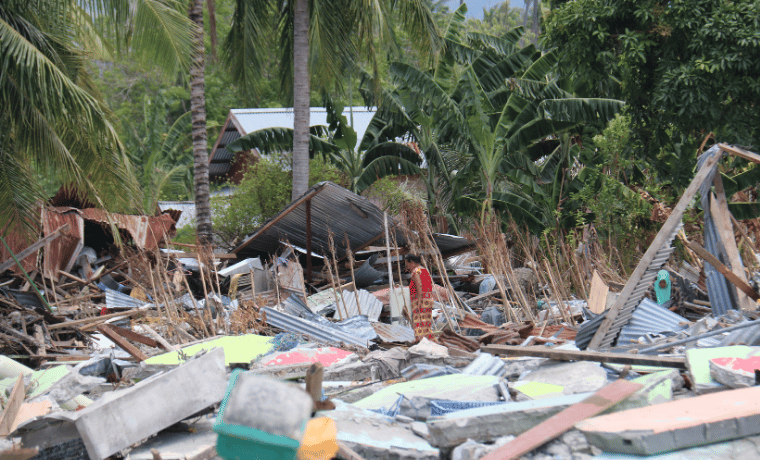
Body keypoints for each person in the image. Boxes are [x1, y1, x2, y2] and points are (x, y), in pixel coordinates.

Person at [405, 253, 434, 341]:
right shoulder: (424, 270)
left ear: (412, 262)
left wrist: (420, 299)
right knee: (426, 321)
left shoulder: (415, 271)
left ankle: (420, 339)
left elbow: (419, 284)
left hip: (420, 299)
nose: (408, 268)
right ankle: (428, 339)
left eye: (408, 265)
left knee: (419, 320)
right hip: (428, 298)